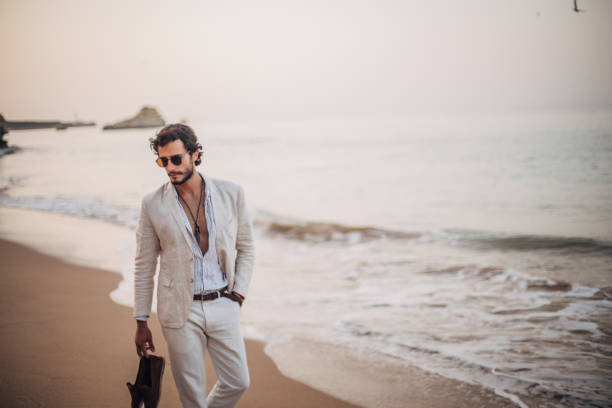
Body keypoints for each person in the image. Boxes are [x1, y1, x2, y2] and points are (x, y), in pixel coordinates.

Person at [133, 123, 255, 407]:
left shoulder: (231, 193)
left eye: (176, 159)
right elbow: (144, 264)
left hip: (223, 300)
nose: (170, 167)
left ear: (195, 155)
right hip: (179, 310)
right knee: (192, 395)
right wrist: (141, 320)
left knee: (238, 381)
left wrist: (238, 295)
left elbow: (246, 247)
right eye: (163, 161)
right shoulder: (152, 203)